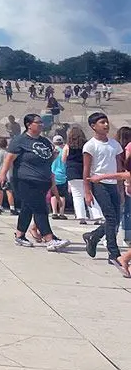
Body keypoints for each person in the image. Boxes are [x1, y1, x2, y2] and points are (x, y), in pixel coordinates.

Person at [0, 114, 70, 251]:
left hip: (42, 180)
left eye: (42, 122)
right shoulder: (20, 140)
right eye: (38, 122)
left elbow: (49, 158)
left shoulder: (45, 141)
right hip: (25, 180)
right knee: (40, 208)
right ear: (29, 125)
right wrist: (2, 174)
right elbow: (9, 158)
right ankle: (49, 238)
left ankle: (20, 235)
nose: (41, 124)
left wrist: (53, 157)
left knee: (28, 208)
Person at [81, 112, 125, 274]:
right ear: (93, 126)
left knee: (116, 218)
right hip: (98, 184)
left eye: (106, 122)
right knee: (111, 217)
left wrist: (120, 188)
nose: (106, 125)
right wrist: (87, 191)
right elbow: (86, 169)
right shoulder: (90, 145)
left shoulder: (115, 145)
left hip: (113, 184)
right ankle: (113, 252)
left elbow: (119, 168)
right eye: (102, 123)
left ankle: (93, 236)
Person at [63, 124, 103, 225]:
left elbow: (63, 159)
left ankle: (81, 217)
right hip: (85, 171)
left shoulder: (68, 146)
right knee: (89, 193)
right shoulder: (87, 144)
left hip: (72, 172)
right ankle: (97, 215)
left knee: (77, 196)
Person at [0, 137, 18, 215]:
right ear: (7, 145)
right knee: (9, 191)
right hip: (8, 175)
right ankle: (12, 208)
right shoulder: (9, 154)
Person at [50, 135, 68, 219]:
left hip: (53, 175)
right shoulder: (64, 151)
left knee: (53, 195)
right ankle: (61, 213)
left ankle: (54, 212)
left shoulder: (52, 152)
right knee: (62, 195)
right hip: (62, 175)